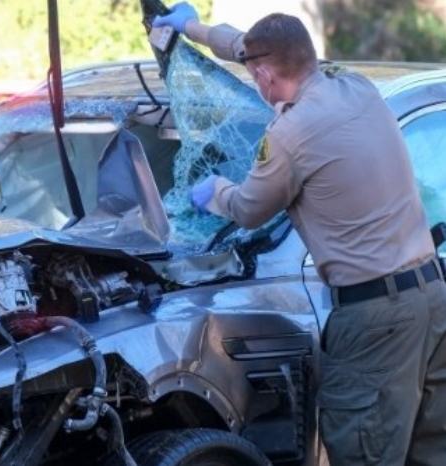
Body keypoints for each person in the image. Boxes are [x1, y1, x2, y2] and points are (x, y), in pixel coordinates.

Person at [154, 3, 446, 465]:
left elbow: (249, 210)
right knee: (431, 454)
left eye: (255, 74)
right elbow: (250, 48)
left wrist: (215, 192)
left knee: (363, 454)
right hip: (431, 299)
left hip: (376, 320)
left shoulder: (290, 134)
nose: (255, 80)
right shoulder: (353, 85)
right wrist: (192, 28)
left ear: (264, 74)